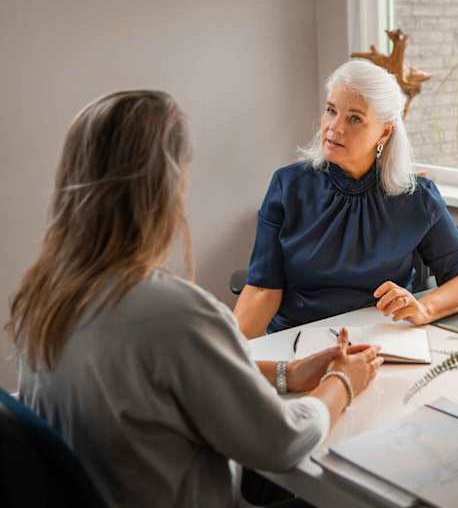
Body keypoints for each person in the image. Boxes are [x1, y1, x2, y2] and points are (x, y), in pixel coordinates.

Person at [6, 90, 382, 507]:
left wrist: (286, 375)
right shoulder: (169, 313)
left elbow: (163, 380)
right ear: (164, 185)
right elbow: (282, 442)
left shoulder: (46, 292)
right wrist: (342, 382)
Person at [234, 60, 458, 337]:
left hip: (382, 342)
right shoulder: (289, 186)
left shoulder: (417, 197)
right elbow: (262, 290)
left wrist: (423, 308)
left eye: (354, 118)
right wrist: (230, 366)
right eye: (331, 110)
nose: (334, 127)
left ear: (385, 132)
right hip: (298, 340)